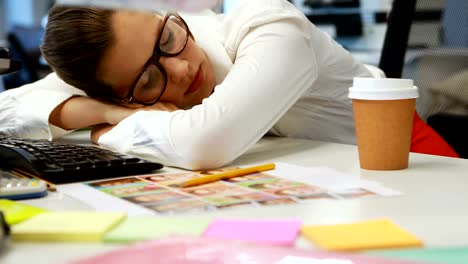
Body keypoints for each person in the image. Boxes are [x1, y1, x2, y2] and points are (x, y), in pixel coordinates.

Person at [0, 0, 458, 171]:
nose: (179, 69)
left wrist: (111, 120)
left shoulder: (268, 23)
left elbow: (205, 142)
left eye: (168, 37)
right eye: (149, 78)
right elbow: (7, 109)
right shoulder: (120, 83)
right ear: (119, 91)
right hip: (326, 181)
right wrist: (108, 112)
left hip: (413, 166)